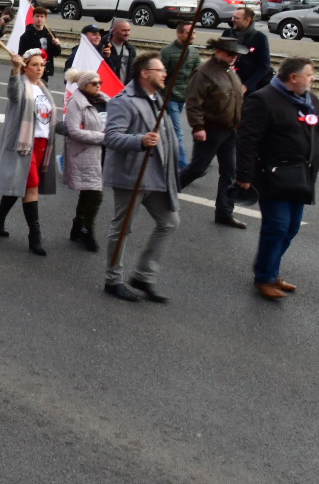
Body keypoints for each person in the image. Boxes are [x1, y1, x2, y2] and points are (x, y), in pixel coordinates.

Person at [236, 57, 319, 300]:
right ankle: (264, 277)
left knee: (291, 228)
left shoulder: (310, 100)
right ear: (293, 78)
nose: (313, 78)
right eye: (310, 74)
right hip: (273, 176)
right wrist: (244, 175)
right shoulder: (263, 99)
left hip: (302, 176)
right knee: (277, 227)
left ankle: (270, 271)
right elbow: (246, 140)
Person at [101, 53, 180, 303]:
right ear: (145, 73)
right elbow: (111, 137)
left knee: (169, 222)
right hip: (131, 176)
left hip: (156, 175)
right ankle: (113, 280)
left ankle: (144, 275)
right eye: (160, 70)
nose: (164, 74)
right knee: (122, 228)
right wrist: (140, 141)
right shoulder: (122, 102)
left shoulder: (157, 98)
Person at [0, 48, 57, 255]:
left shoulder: (43, 88)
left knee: (21, 185)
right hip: (25, 144)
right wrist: (15, 69)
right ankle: (34, 237)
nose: (39, 69)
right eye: (35, 65)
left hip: (43, 145)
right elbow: (13, 93)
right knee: (31, 188)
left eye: (42, 65)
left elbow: (47, 117)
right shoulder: (21, 85)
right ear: (26, 67)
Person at [178, 37, 249, 229]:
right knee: (197, 168)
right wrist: (198, 127)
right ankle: (162, 194)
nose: (234, 57)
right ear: (218, 51)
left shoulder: (229, 71)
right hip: (211, 130)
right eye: (230, 53)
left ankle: (225, 212)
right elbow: (193, 103)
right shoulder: (204, 73)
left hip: (230, 130)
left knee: (229, 171)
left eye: (236, 54)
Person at [61, 68, 108, 251]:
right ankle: (89, 231)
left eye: (99, 83)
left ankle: (77, 226)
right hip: (85, 153)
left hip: (104, 153)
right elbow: (74, 132)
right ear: (83, 85)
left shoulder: (104, 99)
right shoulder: (76, 103)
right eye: (94, 83)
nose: (98, 86)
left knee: (88, 191)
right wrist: (103, 137)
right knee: (96, 193)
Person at [158, 20, 200, 170]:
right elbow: (159, 74)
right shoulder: (167, 52)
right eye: (189, 33)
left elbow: (196, 73)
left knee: (166, 129)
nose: (193, 36)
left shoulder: (194, 52)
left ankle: (162, 155)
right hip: (169, 97)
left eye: (194, 32)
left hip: (184, 97)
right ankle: (183, 165)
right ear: (179, 33)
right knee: (178, 131)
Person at [223, 7, 272, 93]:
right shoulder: (227, 33)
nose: (233, 20)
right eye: (233, 17)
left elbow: (265, 66)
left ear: (247, 20)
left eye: (237, 18)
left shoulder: (260, 38)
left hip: (246, 88)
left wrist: (247, 86)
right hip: (226, 83)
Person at [17, 7, 62, 80]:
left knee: (43, 90)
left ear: (45, 18)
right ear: (33, 17)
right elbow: (22, 54)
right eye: (37, 16)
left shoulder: (49, 34)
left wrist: (57, 45)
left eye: (42, 16)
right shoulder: (26, 35)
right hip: (31, 70)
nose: (39, 19)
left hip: (44, 70)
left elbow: (56, 53)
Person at [102, 19, 137, 87]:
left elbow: (133, 71)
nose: (127, 33)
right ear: (114, 30)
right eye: (123, 30)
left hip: (124, 90)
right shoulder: (104, 46)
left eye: (128, 30)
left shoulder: (131, 49)